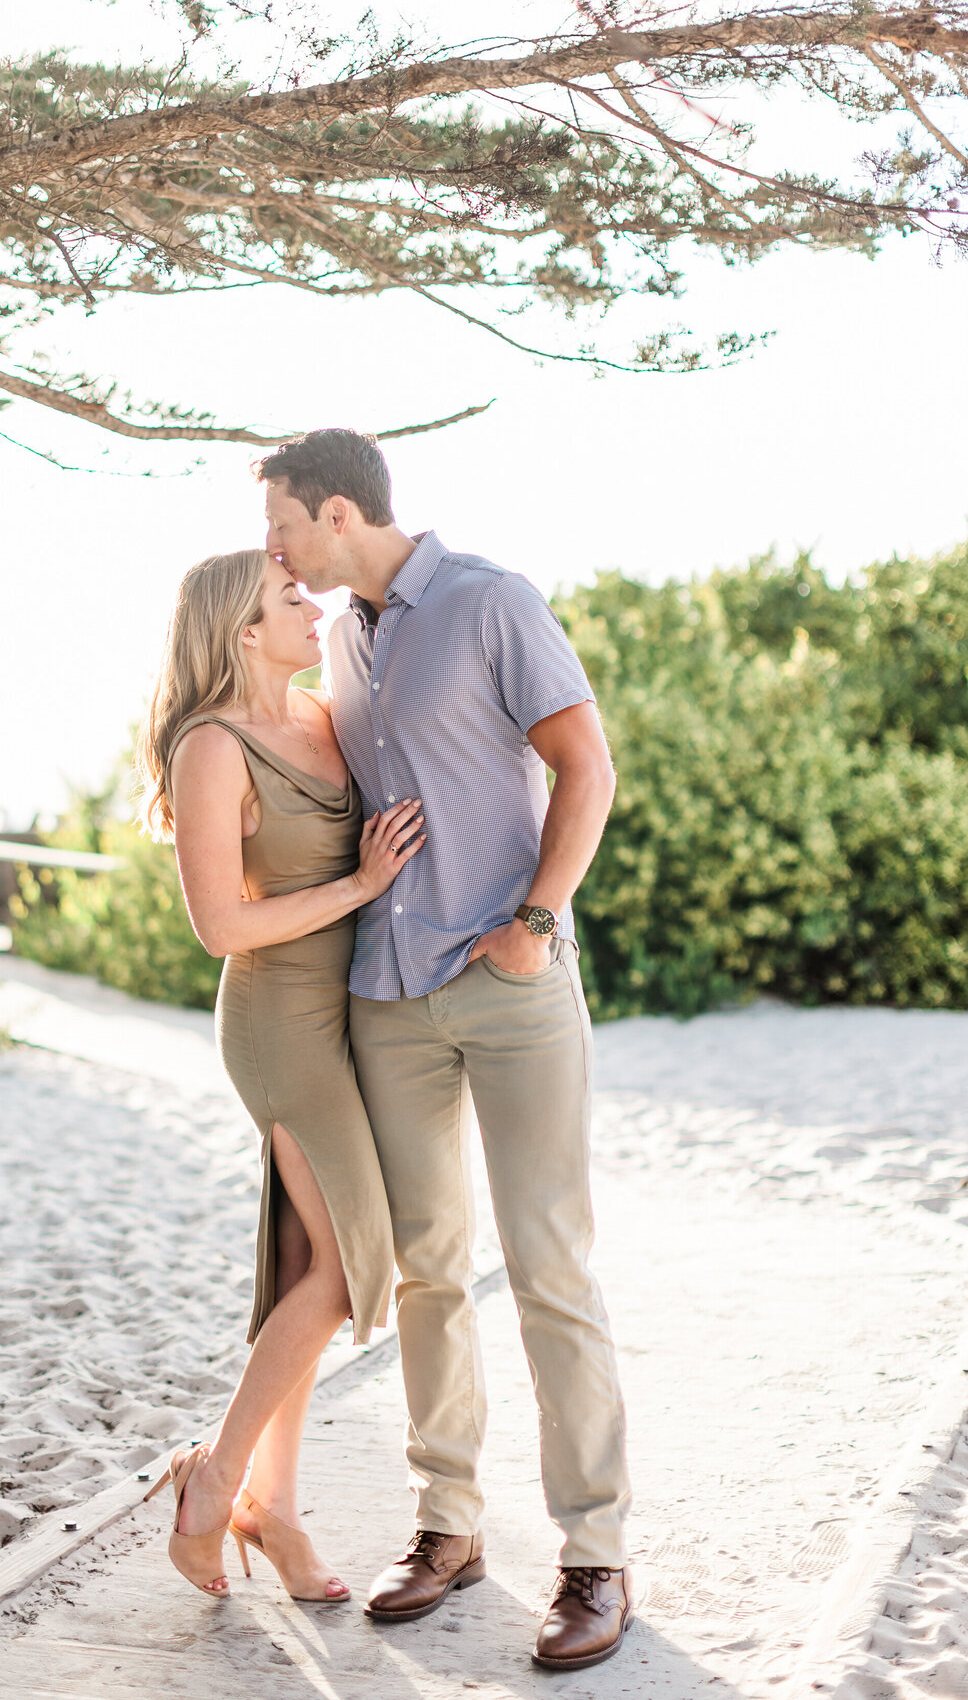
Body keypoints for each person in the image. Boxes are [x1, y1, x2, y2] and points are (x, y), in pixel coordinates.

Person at [259, 429, 633, 1672]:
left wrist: (533, 925)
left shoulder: (489, 602)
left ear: (338, 513)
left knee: (547, 1264)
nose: (280, 556)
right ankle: (447, 1529)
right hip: (390, 991)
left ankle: (594, 1557)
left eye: (284, 530)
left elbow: (587, 767)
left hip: (511, 979)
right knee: (426, 1267)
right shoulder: (347, 639)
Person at [134, 548, 424, 1603]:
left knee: (307, 1266)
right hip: (279, 1024)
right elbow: (221, 925)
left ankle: (276, 1512)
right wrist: (360, 882)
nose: (314, 606)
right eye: (289, 598)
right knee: (347, 1270)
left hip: (350, 1014)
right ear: (244, 631)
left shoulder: (326, 716)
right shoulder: (213, 745)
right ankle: (211, 1486)